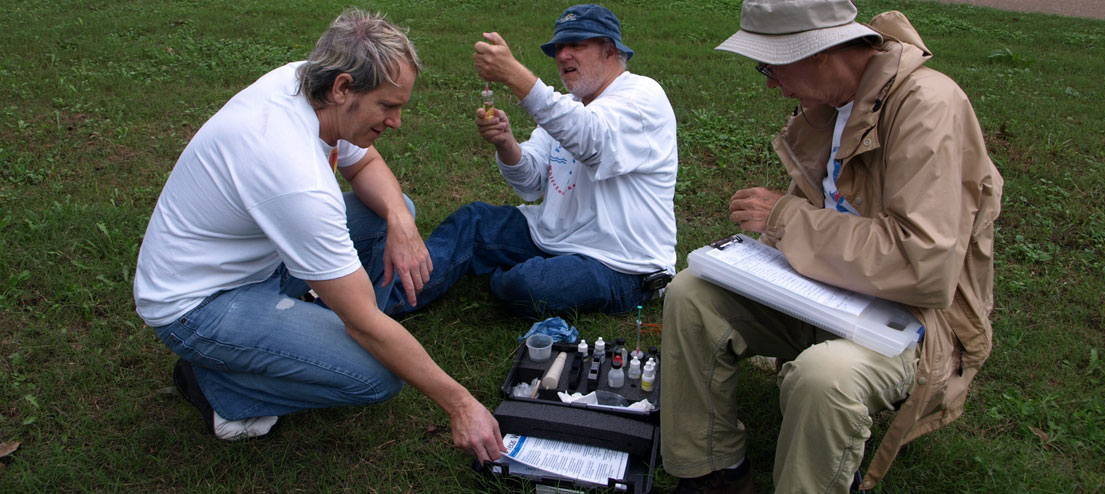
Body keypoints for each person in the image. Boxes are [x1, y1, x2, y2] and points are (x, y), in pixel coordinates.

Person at [659, 0, 1003, 492]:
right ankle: (713, 471)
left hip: (909, 321)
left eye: (770, 66)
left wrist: (788, 219)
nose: (770, 83)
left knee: (825, 376)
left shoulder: (928, 107)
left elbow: (924, 264)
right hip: (830, 293)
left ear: (820, 51)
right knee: (692, 293)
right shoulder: (832, 107)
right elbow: (836, 214)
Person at [132, 9, 505, 463]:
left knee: (393, 211)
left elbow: (364, 164)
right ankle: (219, 386)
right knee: (377, 374)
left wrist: (401, 224)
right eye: (388, 106)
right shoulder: (293, 173)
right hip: (196, 306)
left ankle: (299, 333)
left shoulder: (306, 85)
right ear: (344, 87)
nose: (397, 122)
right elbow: (363, 322)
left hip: (256, 263)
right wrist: (461, 403)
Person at [385, 4, 678, 318]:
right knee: (474, 221)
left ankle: (512, 275)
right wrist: (506, 143)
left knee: (523, 286)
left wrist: (513, 75)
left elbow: (589, 139)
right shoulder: (569, 106)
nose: (563, 55)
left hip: (621, 262)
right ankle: (385, 300)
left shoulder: (643, 97)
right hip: (554, 236)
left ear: (609, 50)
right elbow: (530, 181)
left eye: (576, 45)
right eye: (558, 48)